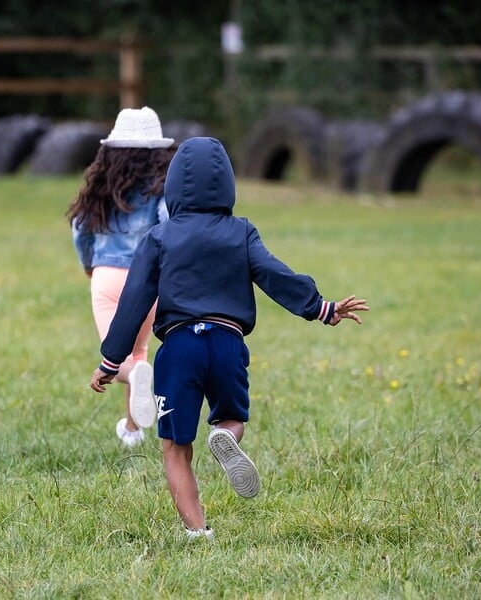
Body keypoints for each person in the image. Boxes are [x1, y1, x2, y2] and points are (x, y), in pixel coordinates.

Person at [89, 136, 369, 539]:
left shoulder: (159, 237)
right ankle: (224, 436)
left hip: (180, 348)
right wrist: (321, 308)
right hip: (227, 342)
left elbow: (133, 302)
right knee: (232, 416)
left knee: (175, 448)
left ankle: (198, 532)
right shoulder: (241, 232)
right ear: (227, 184)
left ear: (172, 186)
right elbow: (274, 274)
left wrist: (111, 360)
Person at [67, 106, 175, 447]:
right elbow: (168, 224)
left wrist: (89, 263)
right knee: (138, 352)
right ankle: (132, 430)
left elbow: (80, 227)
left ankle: (135, 408)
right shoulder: (162, 186)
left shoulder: (102, 183)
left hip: (107, 276)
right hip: (148, 282)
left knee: (119, 360)